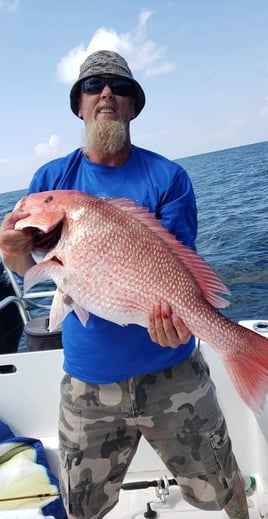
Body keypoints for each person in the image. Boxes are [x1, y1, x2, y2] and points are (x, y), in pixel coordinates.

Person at [0, 50, 249, 519]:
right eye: (93, 87)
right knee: (83, 507)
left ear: (134, 105)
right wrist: (7, 246)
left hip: (173, 369)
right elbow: (23, 266)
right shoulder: (51, 180)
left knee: (223, 491)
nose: (106, 94)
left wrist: (186, 321)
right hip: (87, 382)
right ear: (79, 106)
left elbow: (178, 268)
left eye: (120, 87)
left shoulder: (169, 177)